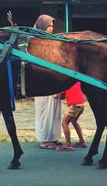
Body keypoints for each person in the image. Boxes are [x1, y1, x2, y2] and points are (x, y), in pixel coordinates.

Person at [33, 14, 62, 149]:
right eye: (48, 26)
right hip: (41, 80)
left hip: (52, 79)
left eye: (52, 26)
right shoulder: (35, 41)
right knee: (45, 111)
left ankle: (53, 137)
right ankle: (45, 139)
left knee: (54, 110)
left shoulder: (50, 40)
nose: (51, 29)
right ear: (42, 26)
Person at [56, 82, 86, 151]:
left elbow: (61, 96)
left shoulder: (64, 83)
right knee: (74, 121)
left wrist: (58, 96)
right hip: (81, 104)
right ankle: (82, 141)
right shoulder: (76, 81)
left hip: (75, 105)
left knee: (64, 123)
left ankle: (68, 145)